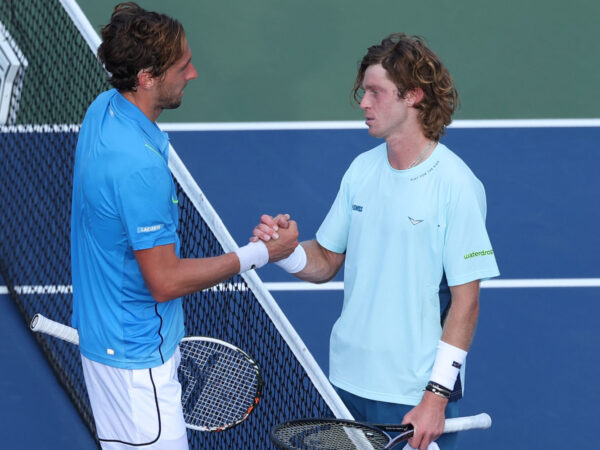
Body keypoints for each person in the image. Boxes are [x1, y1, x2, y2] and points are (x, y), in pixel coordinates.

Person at [253, 33, 499, 450]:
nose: (363, 103)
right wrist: (286, 252)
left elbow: (466, 302)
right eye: (363, 91)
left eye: (375, 92)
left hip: (411, 397)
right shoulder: (361, 171)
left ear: (413, 96)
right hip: (346, 381)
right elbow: (327, 260)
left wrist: (435, 398)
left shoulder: (457, 186)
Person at [70, 3, 297, 449]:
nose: (191, 74)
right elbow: (164, 281)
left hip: (105, 336)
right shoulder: (138, 167)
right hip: (137, 364)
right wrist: (261, 254)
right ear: (146, 78)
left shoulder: (104, 109)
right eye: (181, 66)